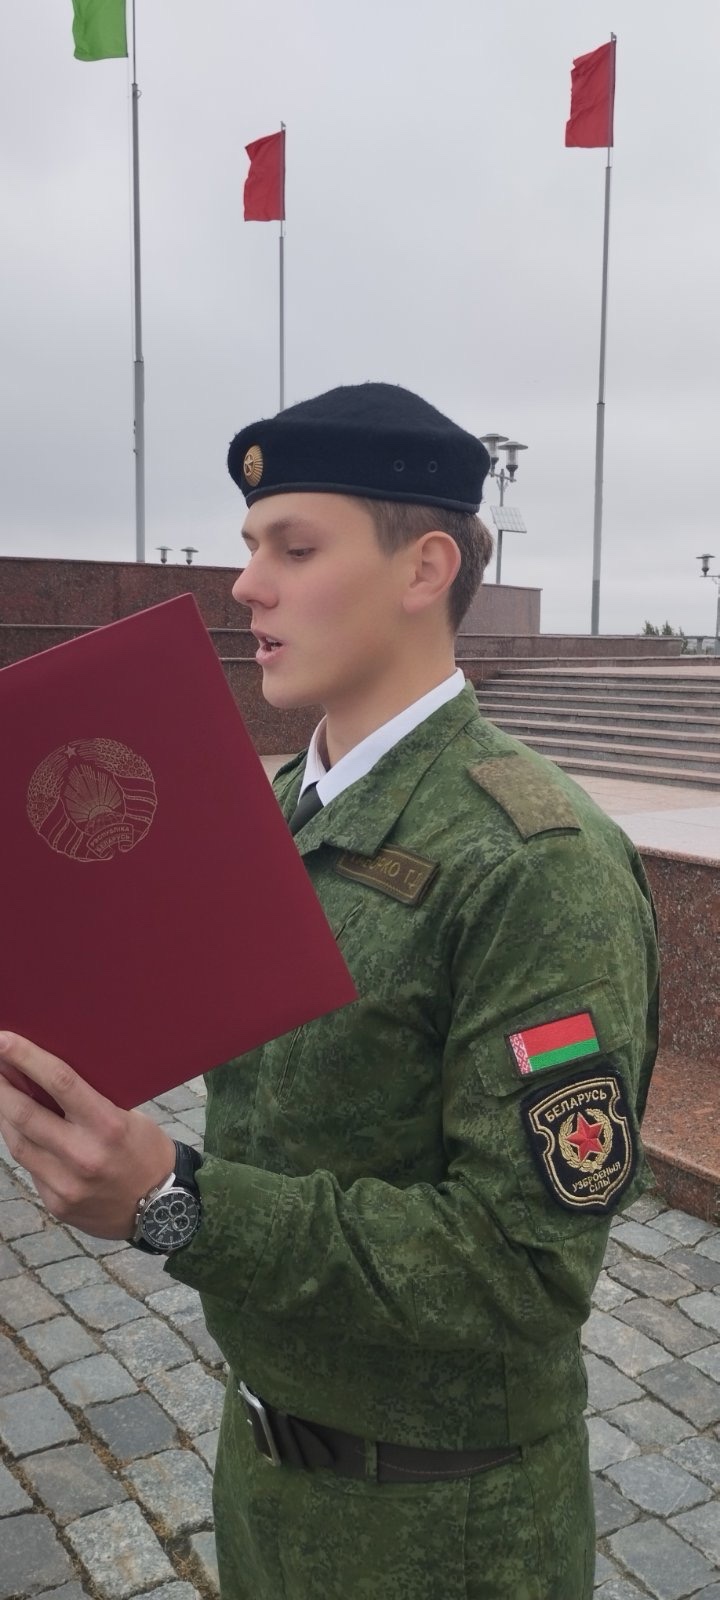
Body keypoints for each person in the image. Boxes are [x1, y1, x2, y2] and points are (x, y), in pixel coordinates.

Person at [0, 382, 659, 1600]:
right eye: (251, 546)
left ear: (425, 567)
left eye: (294, 549)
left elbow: (525, 1269)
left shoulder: (535, 863)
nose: (245, 584)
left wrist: (174, 1198)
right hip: (266, 1477)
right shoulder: (284, 806)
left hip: (442, 1528)